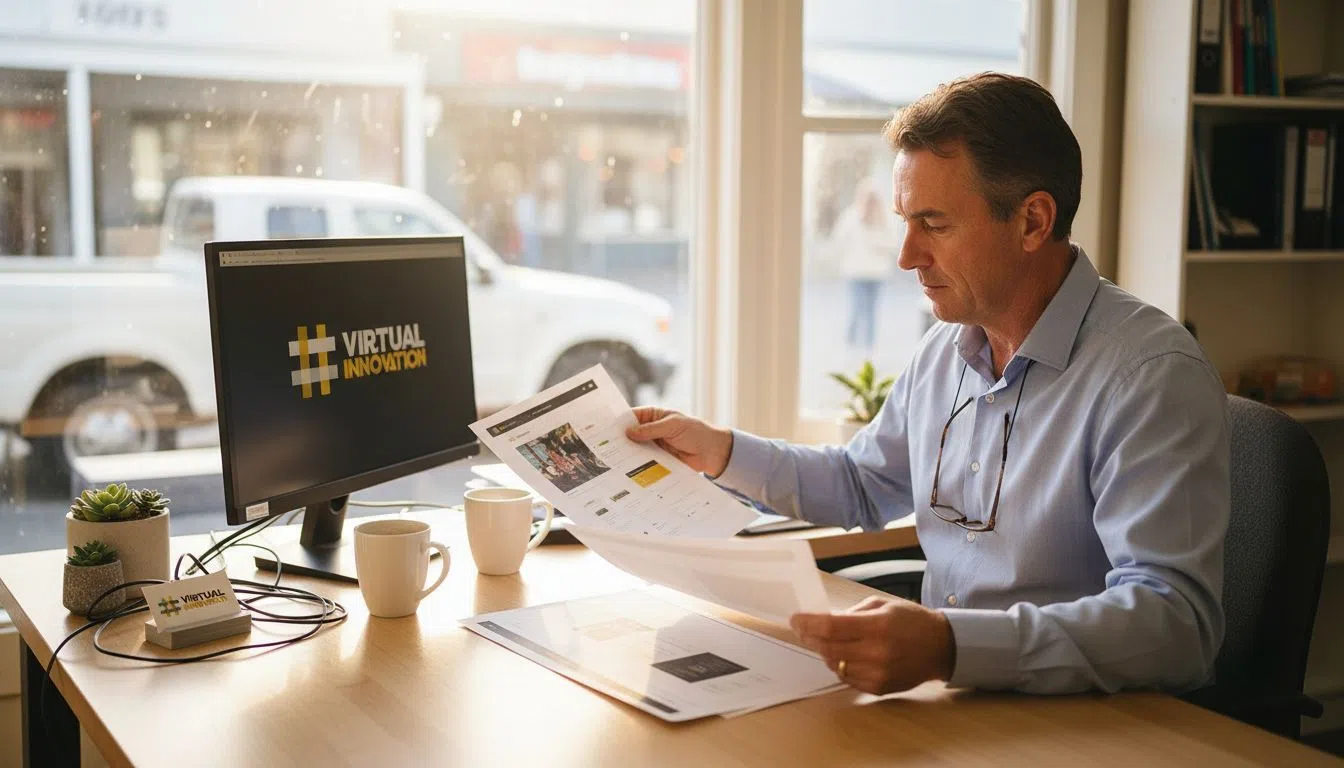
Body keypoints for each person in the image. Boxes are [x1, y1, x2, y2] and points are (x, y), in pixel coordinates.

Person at [625, 72, 1229, 697]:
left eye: (935, 224)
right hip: (955, 702)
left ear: (1032, 221)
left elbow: (1175, 624)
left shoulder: (1150, 376)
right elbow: (863, 483)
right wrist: (719, 450)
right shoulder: (947, 347)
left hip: (1088, 724)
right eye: (905, 221)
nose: (906, 256)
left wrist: (952, 645)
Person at [830, 178, 903, 351]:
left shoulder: (885, 219)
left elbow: (894, 244)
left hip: (876, 273)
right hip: (856, 272)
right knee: (857, 309)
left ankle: (869, 348)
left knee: (870, 311)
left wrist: (875, 239)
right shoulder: (852, 217)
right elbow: (839, 240)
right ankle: (851, 345)